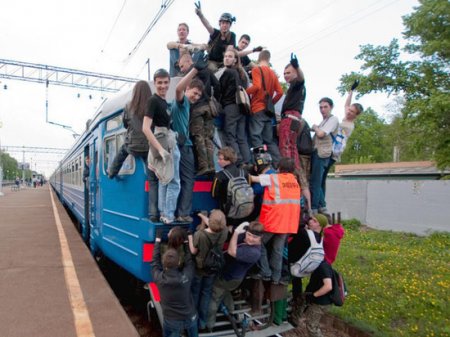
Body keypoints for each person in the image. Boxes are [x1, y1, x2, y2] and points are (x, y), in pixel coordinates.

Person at [250, 157, 301, 284]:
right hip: (287, 223)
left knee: (258, 243)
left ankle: (265, 272)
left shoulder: (273, 178)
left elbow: (252, 179)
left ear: (279, 168)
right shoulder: (295, 182)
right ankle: (276, 278)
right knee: (277, 251)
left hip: (273, 221)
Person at [206, 221, 264, 331]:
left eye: (255, 237)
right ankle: (231, 310)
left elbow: (232, 251)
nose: (250, 239)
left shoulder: (254, 252)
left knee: (214, 297)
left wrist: (237, 232)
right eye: (249, 235)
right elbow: (229, 228)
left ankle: (208, 325)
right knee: (225, 291)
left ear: (261, 238)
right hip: (230, 276)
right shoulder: (247, 240)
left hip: (230, 278)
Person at [171, 54, 208, 222]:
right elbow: (178, 89)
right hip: (183, 147)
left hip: (182, 145)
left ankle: (179, 212)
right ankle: (183, 213)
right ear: (187, 90)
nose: (196, 97)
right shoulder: (182, 102)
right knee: (187, 180)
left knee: (179, 180)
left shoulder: (187, 106)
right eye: (195, 93)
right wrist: (194, 70)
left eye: (199, 95)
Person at [143, 69, 180, 224]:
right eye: (159, 83)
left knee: (164, 179)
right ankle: (169, 214)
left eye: (165, 82)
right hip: (164, 142)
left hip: (166, 140)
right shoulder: (153, 101)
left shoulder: (164, 102)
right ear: (154, 83)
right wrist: (159, 149)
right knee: (174, 181)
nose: (163, 86)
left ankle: (164, 213)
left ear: (169, 83)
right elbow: (145, 128)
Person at [178, 53, 221, 176]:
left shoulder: (192, 72)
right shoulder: (207, 70)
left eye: (182, 66)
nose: (181, 69)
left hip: (197, 108)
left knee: (198, 136)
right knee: (208, 137)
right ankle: (211, 165)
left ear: (188, 62)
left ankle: (203, 166)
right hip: (209, 107)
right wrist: (213, 99)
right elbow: (217, 85)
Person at [279, 53, 311, 212]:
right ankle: (308, 208)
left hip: (290, 120)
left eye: (289, 72)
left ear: (296, 73)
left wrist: (297, 66)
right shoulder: (294, 88)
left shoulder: (298, 84)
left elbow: (302, 78)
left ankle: (289, 177)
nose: (286, 76)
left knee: (285, 150)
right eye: (284, 73)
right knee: (292, 151)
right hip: (294, 120)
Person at [151, 230, 198, 337]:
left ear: (164, 263)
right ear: (179, 262)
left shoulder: (159, 278)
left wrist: (157, 241)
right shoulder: (186, 276)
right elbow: (189, 261)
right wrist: (186, 242)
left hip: (172, 320)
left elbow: (154, 262)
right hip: (190, 317)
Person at [322, 80, 364, 199]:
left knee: (322, 177)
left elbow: (334, 132)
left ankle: (321, 202)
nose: (348, 112)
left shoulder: (348, 126)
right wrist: (351, 91)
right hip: (330, 149)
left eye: (352, 112)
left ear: (356, 116)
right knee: (321, 177)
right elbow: (346, 105)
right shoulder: (346, 116)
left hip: (333, 153)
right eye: (349, 110)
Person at [188, 210, 228, 331]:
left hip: (199, 268)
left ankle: (193, 320)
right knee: (206, 293)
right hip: (213, 267)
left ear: (210, 222)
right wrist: (201, 216)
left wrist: (190, 237)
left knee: (195, 293)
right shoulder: (224, 231)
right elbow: (213, 225)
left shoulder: (200, 234)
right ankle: (203, 322)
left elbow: (193, 251)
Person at [108, 80, 152, 179]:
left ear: (135, 92)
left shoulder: (129, 106)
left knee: (122, 151)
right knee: (150, 166)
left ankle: (111, 172)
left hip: (132, 146)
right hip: (148, 146)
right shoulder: (152, 104)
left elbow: (125, 124)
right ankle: (151, 178)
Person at [246, 50, 283, 166]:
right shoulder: (273, 74)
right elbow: (280, 92)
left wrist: (244, 92)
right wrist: (271, 102)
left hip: (257, 108)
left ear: (258, 58)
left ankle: (262, 164)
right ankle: (279, 164)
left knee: (256, 137)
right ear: (268, 59)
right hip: (268, 111)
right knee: (269, 140)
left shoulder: (257, 69)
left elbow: (256, 86)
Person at [288, 214, 326, 324]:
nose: (310, 221)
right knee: (297, 282)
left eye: (314, 221)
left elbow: (292, 247)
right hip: (304, 269)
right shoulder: (321, 238)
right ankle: (296, 302)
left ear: (320, 225)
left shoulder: (304, 233)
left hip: (293, 264)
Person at [219, 49, 250, 166]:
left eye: (230, 56)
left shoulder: (228, 72)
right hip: (242, 108)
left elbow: (220, 90)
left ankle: (239, 162)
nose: (227, 58)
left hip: (230, 106)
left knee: (230, 135)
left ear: (235, 59)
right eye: (225, 56)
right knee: (241, 137)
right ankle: (248, 161)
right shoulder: (242, 74)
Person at [309, 97, 339, 216]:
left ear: (331, 107)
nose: (322, 109)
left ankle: (316, 208)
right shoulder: (324, 121)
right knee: (320, 181)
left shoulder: (333, 119)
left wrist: (315, 127)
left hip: (322, 153)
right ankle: (322, 206)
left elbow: (321, 134)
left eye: (325, 107)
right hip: (322, 152)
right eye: (321, 107)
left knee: (315, 181)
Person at [211, 147, 250, 227]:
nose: (218, 161)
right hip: (245, 210)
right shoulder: (245, 173)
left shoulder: (219, 176)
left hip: (228, 212)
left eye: (220, 159)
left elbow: (214, 194)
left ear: (228, 160)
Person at [195, 2, 236, 72]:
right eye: (223, 23)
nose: (225, 25)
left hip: (223, 61)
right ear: (220, 24)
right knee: (214, 70)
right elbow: (207, 25)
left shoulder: (232, 35)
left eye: (227, 23)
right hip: (211, 61)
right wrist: (200, 15)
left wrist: (226, 63)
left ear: (230, 25)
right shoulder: (215, 33)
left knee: (231, 71)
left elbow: (229, 50)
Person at [303, 259, 333, 337]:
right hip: (321, 301)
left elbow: (328, 286)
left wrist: (314, 295)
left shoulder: (322, 266)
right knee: (312, 325)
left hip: (320, 303)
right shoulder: (321, 264)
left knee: (312, 326)